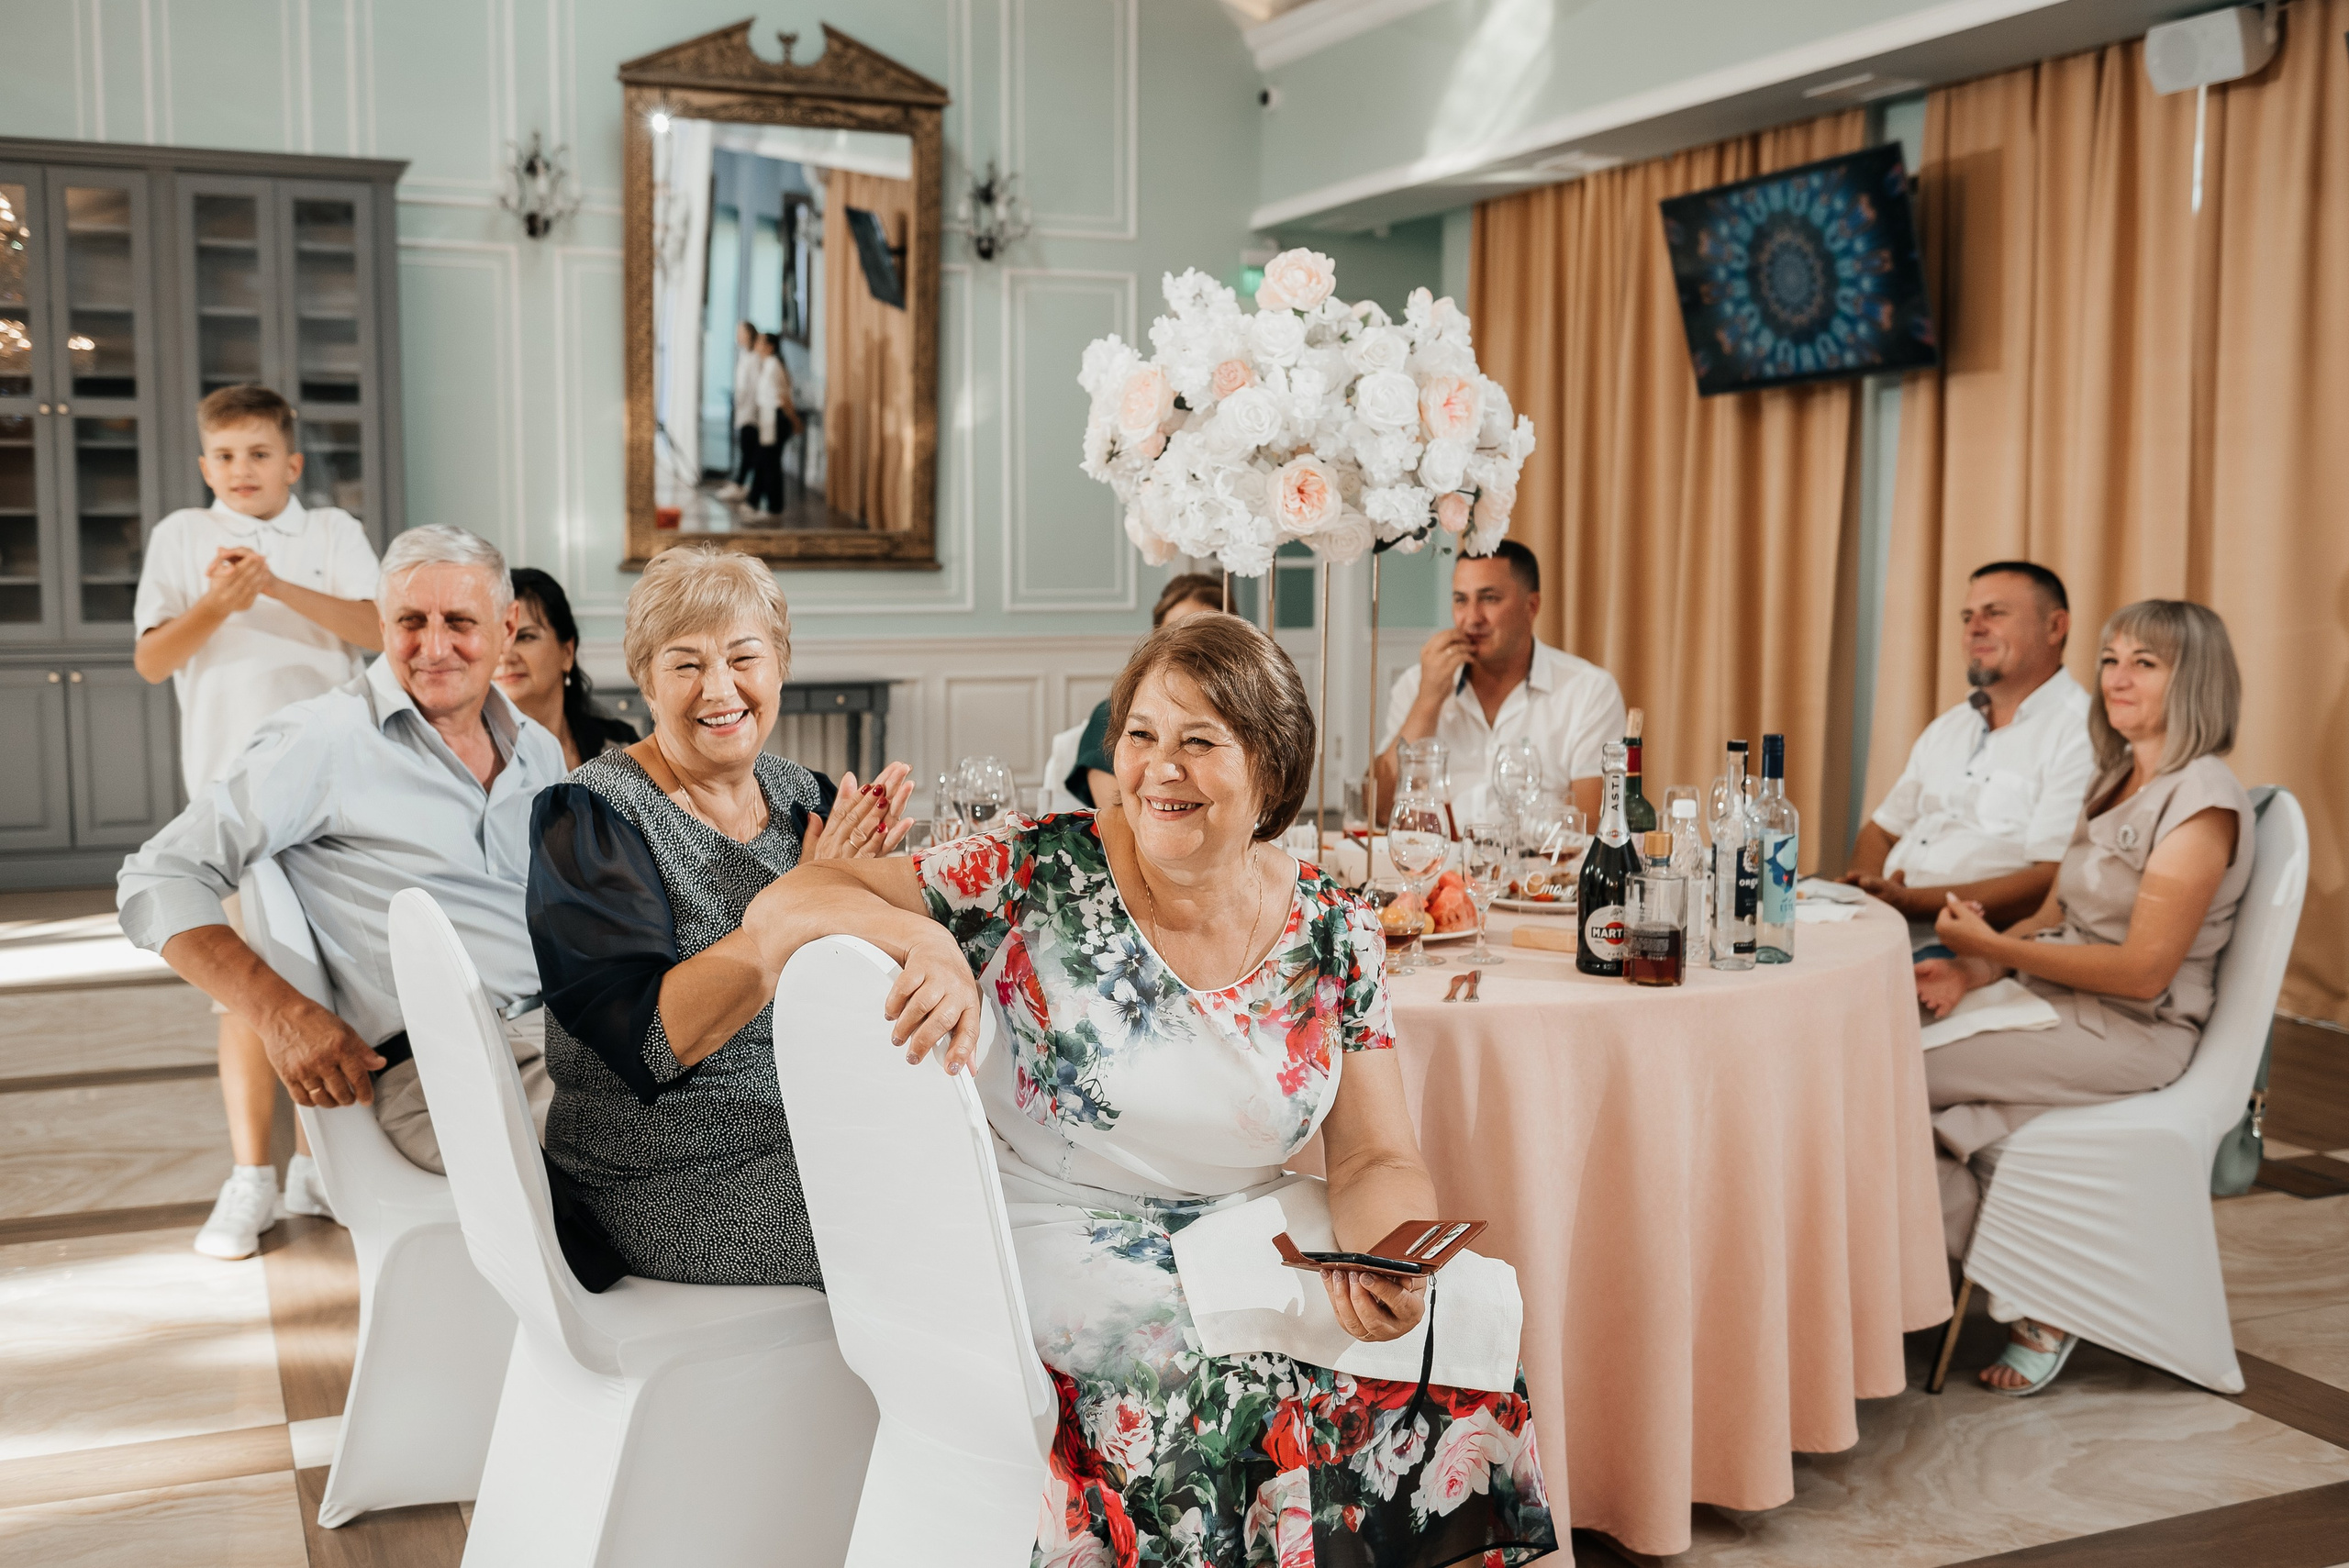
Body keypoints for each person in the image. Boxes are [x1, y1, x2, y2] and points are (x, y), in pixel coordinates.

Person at [773, 613, 1556, 1562]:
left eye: (1199, 741)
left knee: (1463, 1330)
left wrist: (1382, 1258)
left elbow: (1373, 1154)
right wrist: (926, 937)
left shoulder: (1336, 927)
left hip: (1251, 1226)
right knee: (1226, 1394)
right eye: (1141, 734)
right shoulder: (1035, 869)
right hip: (1055, 1224)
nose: (1159, 768)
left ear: (1269, 768)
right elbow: (792, 896)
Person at [118, 526, 568, 1189]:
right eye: (410, 622)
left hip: (569, 1034)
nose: (433, 647)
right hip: (444, 1072)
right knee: (691, 1139)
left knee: (731, 1094)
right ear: (381, 624)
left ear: (505, 628)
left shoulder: (537, 749)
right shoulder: (323, 738)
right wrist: (280, 1012)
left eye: (459, 622)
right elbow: (156, 876)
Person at [525, 547, 912, 1286]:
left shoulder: (807, 797)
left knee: (1001, 1167)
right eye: (686, 664)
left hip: (810, 1122)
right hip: (659, 1173)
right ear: (646, 679)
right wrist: (801, 903)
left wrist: (876, 903)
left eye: (743, 658)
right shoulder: (590, 816)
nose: (720, 688)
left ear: (779, 666)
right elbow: (648, 1042)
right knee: (928, 1215)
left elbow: (863, 983)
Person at [1918, 600, 2254, 1395]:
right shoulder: (2117, 777)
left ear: (2195, 680)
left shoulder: (2202, 802)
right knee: (1905, 1087)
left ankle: (2026, 1286)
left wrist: (1993, 948)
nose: (2117, 678)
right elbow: (2055, 916)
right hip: (2062, 1005)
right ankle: (2009, 1274)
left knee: (1890, 1074)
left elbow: (2143, 973)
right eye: (2110, 659)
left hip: (2134, 1030)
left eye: (2145, 663)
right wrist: (1974, 971)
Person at [130, 383, 384, 1259]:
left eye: (260, 454)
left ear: (292, 463)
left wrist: (274, 584)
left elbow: (377, 627)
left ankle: (322, 1167)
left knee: (330, 981)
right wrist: (218, 603)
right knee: (243, 990)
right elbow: (153, 659)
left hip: (334, 794)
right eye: (227, 456)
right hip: (229, 798)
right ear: (207, 466)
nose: (243, 469)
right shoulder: (180, 535)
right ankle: (252, 1176)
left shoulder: (332, 533)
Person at [1845, 562, 2097, 951]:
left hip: (1974, 947)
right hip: (1883, 932)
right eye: (1968, 617)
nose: (1974, 628)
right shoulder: (1949, 726)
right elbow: (1880, 831)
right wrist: (1865, 897)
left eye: (1994, 613)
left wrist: (1908, 903)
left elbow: (2053, 881)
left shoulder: (2082, 733)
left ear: (2055, 627)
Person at [1378, 539, 1623, 824]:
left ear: (1532, 606)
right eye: (1461, 600)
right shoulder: (1416, 685)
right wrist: (1427, 702)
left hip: (1539, 856)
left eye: (1489, 598)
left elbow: (1591, 824)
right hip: (1438, 854)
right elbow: (1380, 811)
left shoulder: (1589, 690)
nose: (1472, 618)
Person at [1063, 571, 1225, 808]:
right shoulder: (1111, 716)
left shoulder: (1241, 721)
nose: (1191, 648)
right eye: (1142, 735)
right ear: (1157, 639)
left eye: (1206, 635)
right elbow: (1118, 817)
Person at [495, 567, 642, 769]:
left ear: (567, 652)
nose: (506, 656)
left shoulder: (620, 745)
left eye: (525, 637)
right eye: (496, 640)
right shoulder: (478, 760)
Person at [744, 332, 799, 517]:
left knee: (770, 464)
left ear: (770, 347)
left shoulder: (774, 366)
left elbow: (783, 398)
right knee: (764, 461)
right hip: (768, 419)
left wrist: (795, 420)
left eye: (760, 342)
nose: (757, 344)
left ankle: (773, 507)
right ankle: (755, 502)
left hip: (776, 418)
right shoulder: (767, 365)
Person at [715, 321, 760, 502]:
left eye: (740, 332)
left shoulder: (755, 358)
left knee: (749, 450)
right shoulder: (744, 355)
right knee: (745, 448)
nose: (738, 336)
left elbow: (753, 386)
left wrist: (742, 401)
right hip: (743, 408)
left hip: (751, 411)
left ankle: (743, 485)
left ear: (749, 334)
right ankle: (740, 482)